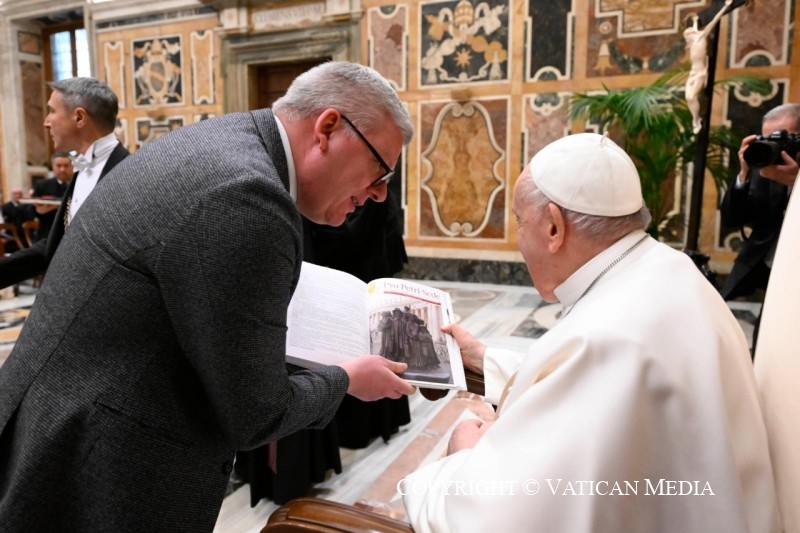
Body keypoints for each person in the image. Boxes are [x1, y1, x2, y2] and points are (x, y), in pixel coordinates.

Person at [0, 61, 416, 532]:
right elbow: (257, 414)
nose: (379, 195)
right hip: (95, 468)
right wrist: (347, 379)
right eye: (379, 171)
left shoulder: (226, 140)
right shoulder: (248, 196)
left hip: (63, 418)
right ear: (328, 128)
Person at [401, 133, 778, 532]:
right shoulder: (668, 268)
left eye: (519, 221)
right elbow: (585, 379)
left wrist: (462, 454)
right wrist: (484, 358)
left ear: (554, 227)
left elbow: (492, 521)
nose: (518, 238)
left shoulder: (607, 340)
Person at [0, 77, 129, 289]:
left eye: (52, 111)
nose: (46, 122)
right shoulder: (80, 171)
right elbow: (56, 245)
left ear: (79, 117)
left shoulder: (129, 171)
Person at [719, 102, 800, 351]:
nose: (773, 146)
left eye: (782, 139)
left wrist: (797, 183)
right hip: (769, 269)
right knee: (765, 341)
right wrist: (744, 174)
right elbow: (731, 219)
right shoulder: (766, 170)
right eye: (766, 139)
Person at [684, 0, 733, 133]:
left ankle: (696, 121)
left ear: (692, 35)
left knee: (692, 97)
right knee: (688, 97)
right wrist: (695, 21)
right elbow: (695, 27)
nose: (687, 38)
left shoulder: (700, 38)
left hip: (700, 73)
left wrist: (725, 6)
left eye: (688, 35)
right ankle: (695, 119)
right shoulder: (694, 42)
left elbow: (714, 21)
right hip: (692, 73)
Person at [30, 152, 73, 241]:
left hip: (72, 233)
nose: (62, 169)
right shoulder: (42, 185)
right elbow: (32, 211)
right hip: (47, 234)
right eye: (58, 166)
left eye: (66, 166)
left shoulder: (78, 184)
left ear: (72, 166)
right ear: (53, 166)